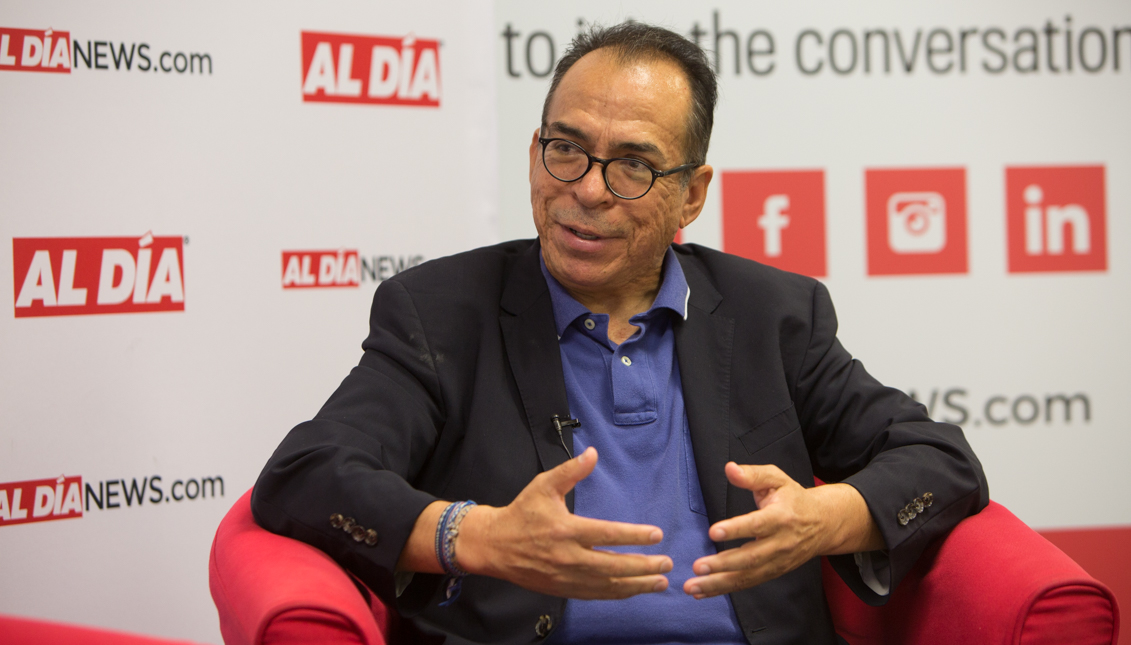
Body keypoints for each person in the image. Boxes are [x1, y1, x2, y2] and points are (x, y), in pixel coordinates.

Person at [252, 21, 987, 645]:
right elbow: (306, 474)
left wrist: (825, 518)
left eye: (632, 164)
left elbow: (940, 460)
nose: (587, 189)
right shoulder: (442, 310)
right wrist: (476, 537)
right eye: (565, 149)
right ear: (536, 147)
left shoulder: (773, 314)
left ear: (691, 195)